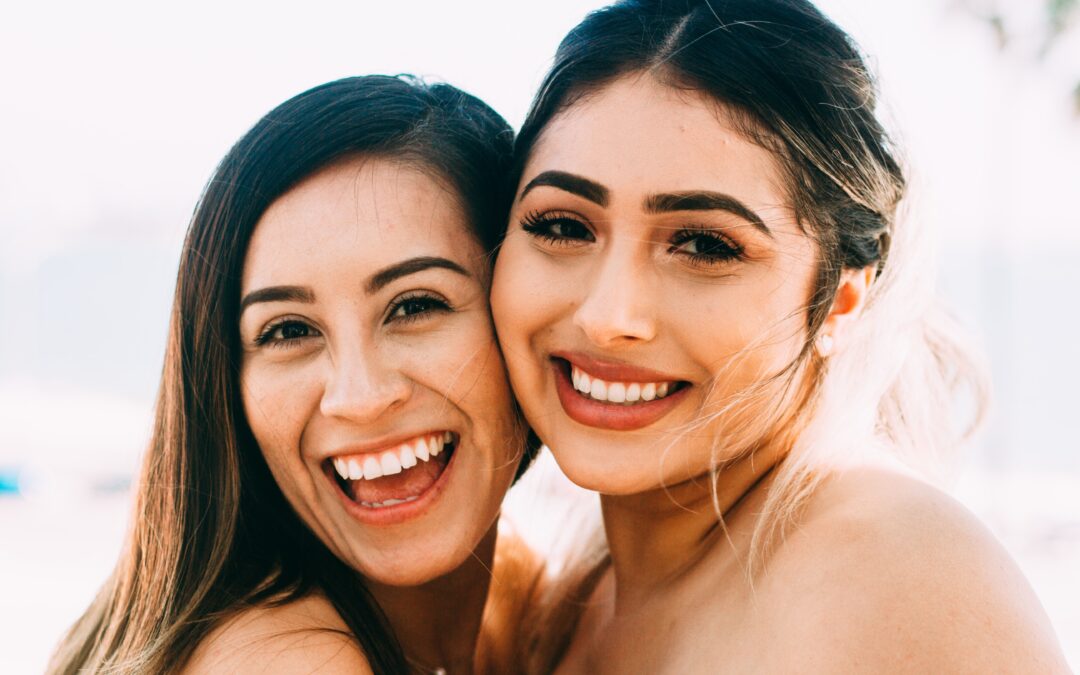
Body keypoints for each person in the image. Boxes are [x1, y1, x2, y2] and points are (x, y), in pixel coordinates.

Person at [490, 0, 1070, 671]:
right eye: (563, 226)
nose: (606, 314)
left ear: (840, 301)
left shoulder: (894, 574)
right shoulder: (574, 602)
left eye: (705, 245)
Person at [48, 75, 538, 675]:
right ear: (226, 382)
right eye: (289, 331)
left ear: (523, 308)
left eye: (414, 306)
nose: (360, 397)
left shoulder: (524, 612)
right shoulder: (292, 661)